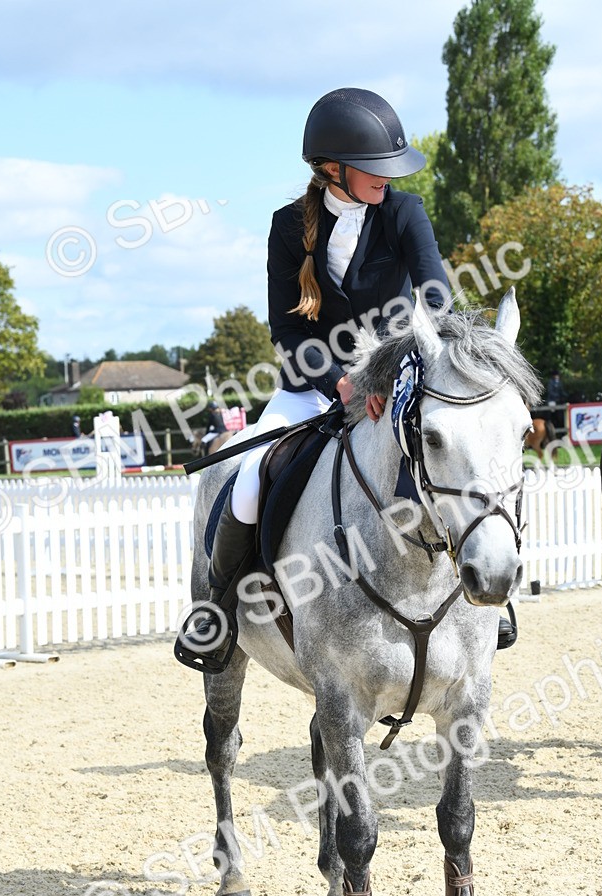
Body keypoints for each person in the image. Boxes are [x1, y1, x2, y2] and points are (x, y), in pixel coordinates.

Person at [193, 87, 514, 669]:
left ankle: (492, 604)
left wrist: (434, 361)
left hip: (399, 379)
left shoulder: (403, 211)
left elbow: (435, 296)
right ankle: (218, 614)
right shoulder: (289, 228)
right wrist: (339, 383)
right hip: (312, 387)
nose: (386, 178)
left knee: (459, 458)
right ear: (332, 169)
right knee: (245, 481)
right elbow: (287, 331)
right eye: (374, 168)